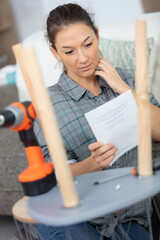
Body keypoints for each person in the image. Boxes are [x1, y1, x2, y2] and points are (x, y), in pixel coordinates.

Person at [34, 3, 160, 240]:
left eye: (88, 44)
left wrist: (124, 90)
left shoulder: (124, 78)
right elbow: (52, 176)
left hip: (129, 217)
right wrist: (92, 164)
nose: (82, 58)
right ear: (55, 53)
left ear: (98, 36)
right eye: (69, 51)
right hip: (76, 214)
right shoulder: (47, 103)